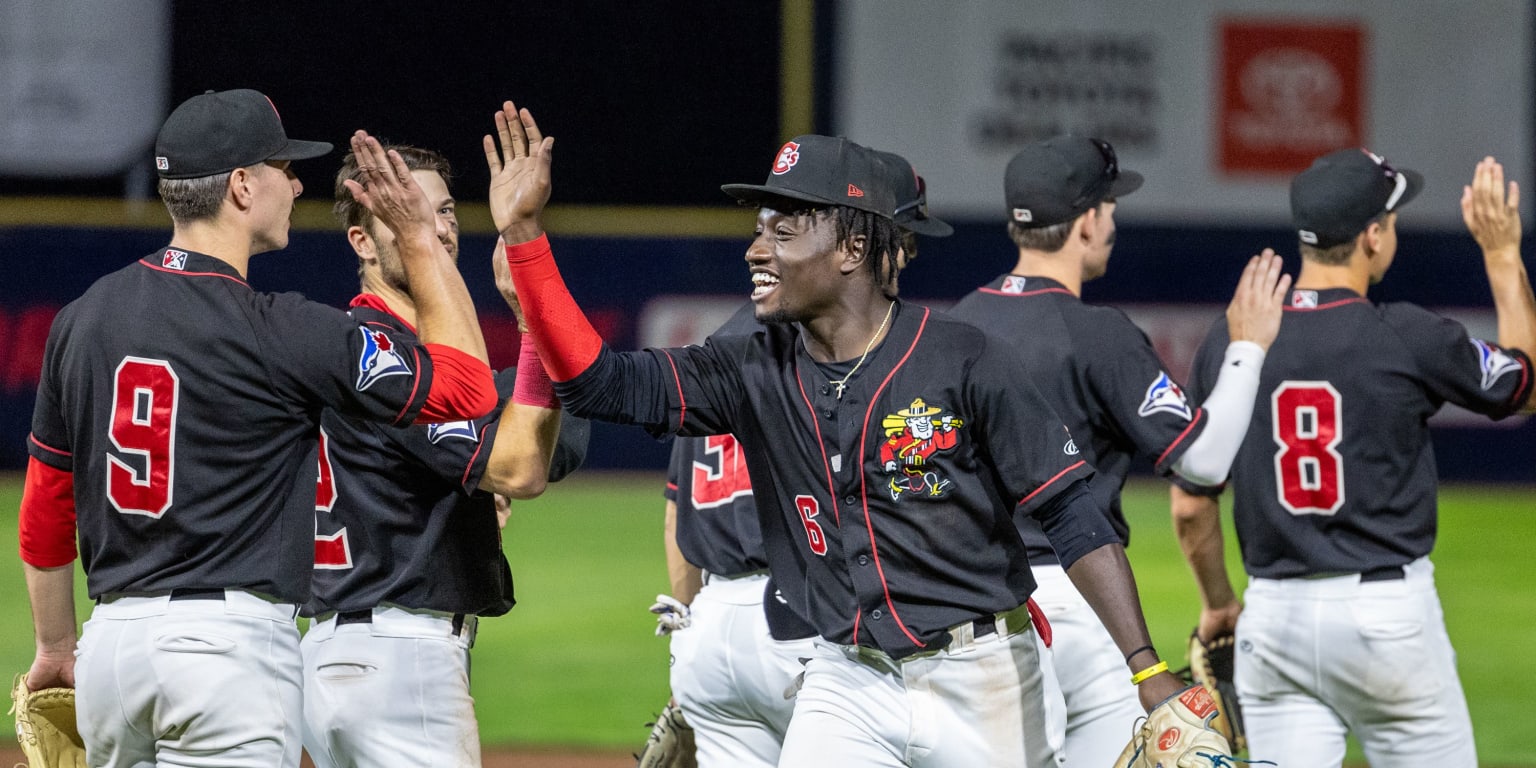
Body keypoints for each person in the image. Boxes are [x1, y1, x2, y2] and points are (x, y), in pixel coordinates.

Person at [489, 101, 1197, 767]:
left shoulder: (964, 358)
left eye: (784, 229)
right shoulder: (747, 367)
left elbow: (1071, 513)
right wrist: (524, 238)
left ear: (853, 245)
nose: (756, 249)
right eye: (759, 226)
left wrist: (1149, 670)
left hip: (984, 680)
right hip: (845, 676)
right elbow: (598, 382)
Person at [17, 89, 497, 768]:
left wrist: (55, 649)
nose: (297, 183)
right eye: (284, 167)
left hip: (110, 653)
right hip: (224, 655)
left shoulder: (82, 318)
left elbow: (45, 506)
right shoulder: (284, 329)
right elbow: (468, 389)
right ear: (242, 186)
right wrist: (419, 237)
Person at [1171, 149, 1536, 766]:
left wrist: (1218, 603)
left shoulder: (1235, 336)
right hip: (1386, 619)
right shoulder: (1405, 334)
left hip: (1273, 620)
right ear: (1372, 236)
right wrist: (1501, 257)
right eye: (1389, 221)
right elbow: (1525, 388)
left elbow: (1189, 506)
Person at [947, 135, 1289, 766]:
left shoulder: (956, 324)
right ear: (1085, 222)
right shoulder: (1096, 334)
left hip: (979, 611)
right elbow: (1204, 462)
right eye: (1108, 206)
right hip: (1084, 606)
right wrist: (1248, 348)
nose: (1112, 220)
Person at [648, 155, 953, 768]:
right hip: (807, 627)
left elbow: (678, 513)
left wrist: (691, 634)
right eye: (904, 238)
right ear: (862, 242)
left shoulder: (720, 350)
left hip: (709, 632)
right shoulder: (841, 355)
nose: (907, 255)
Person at [300, 145, 590, 768]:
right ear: (362, 241)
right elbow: (521, 466)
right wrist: (530, 318)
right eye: (408, 211)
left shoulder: (363, 349)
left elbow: (554, 443)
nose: (438, 226)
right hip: (400, 660)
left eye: (447, 210)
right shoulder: (390, 356)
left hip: (348, 654)